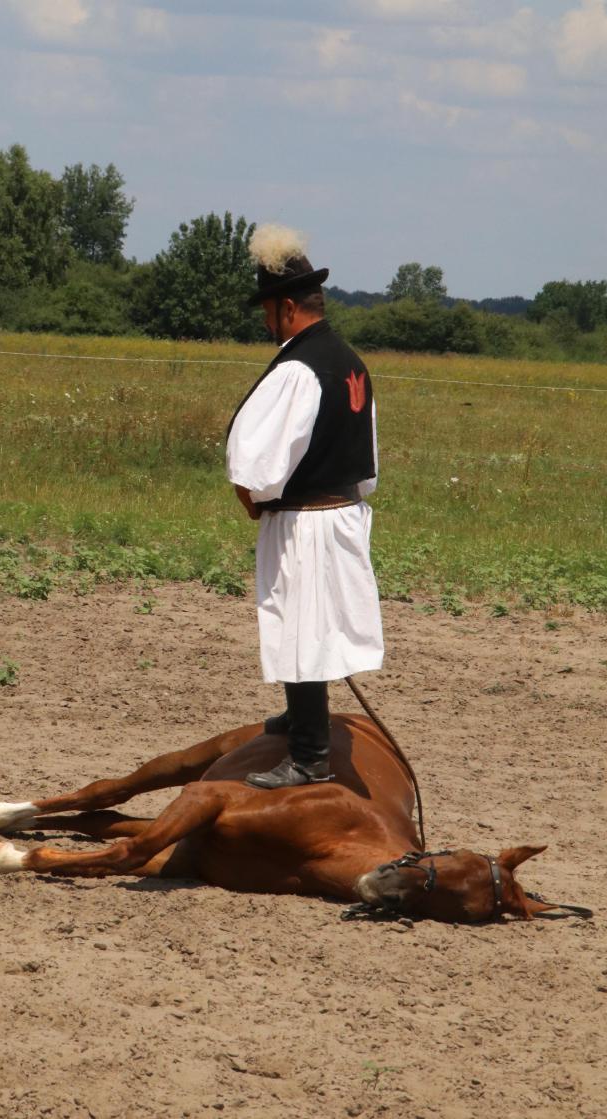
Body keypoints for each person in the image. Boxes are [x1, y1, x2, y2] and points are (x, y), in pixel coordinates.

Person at [226, 224, 384, 789]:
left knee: (301, 628)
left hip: (306, 522)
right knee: (312, 626)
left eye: (268, 311)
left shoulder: (298, 368)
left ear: (286, 307)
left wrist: (252, 501)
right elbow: (366, 460)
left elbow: (256, 464)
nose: (266, 323)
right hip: (341, 513)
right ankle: (301, 718)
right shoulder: (351, 361)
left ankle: (310, 755)